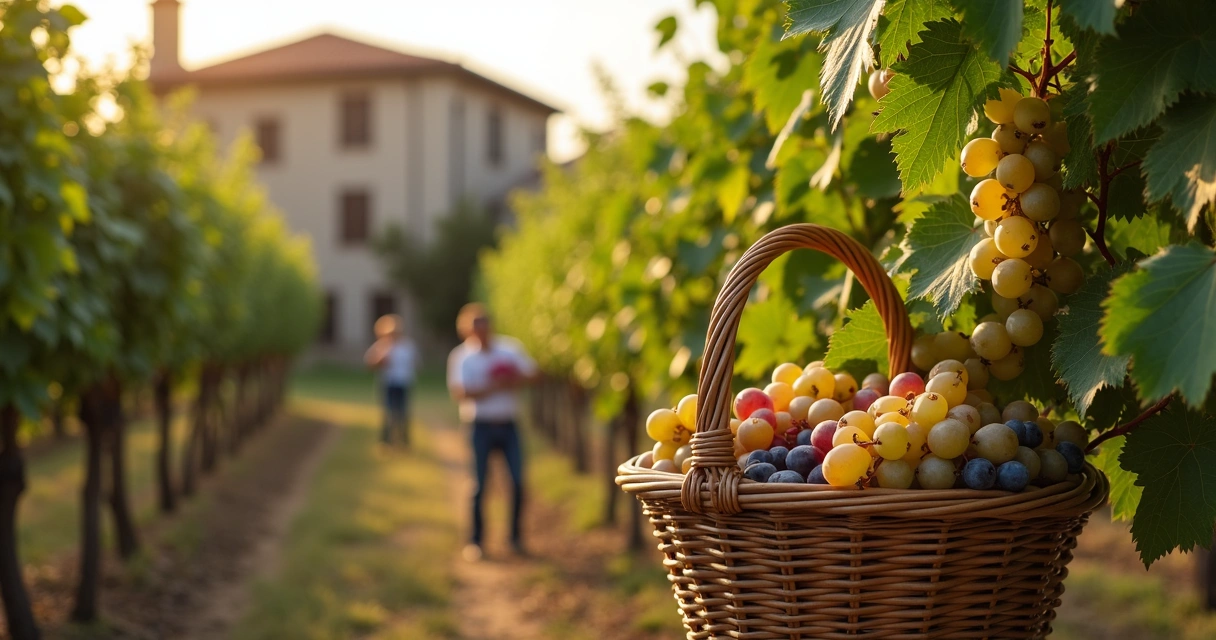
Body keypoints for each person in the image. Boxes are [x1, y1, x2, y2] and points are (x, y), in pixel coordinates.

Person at [446, 303, 539, 560]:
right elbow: (460, 393)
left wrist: (511, 380)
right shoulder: (461, 357)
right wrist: (496, 386)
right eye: (476, 328)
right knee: (479, 485)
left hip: (509, 425)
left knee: (518, 483)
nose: (482, 332)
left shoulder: (510, 349)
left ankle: (515, 539)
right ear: (466, 331)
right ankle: (476, 541)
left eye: (484, 326)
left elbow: (533, 375)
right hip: (480, 426)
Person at [365, 314, 418, 446]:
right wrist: (381, 359)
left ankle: (404, 441)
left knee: (403, 413)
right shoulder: (382, 346)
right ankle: (386, 441)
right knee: (388, 414)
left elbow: (415, 363)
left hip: (404, 383)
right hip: (388, 384)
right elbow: (370, 363)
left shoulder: (407, 346)